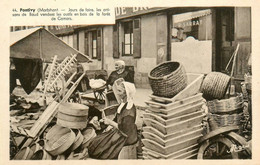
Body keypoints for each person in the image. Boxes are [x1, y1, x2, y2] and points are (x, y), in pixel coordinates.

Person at [88, 78, 138, 159]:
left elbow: (125, 130)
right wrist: (104, 122)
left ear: (126, 93)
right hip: (120, 131)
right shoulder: (124, 104)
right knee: (96, 140)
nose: (117, 94)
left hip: (126, 137)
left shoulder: (129, 112)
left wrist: (110, 123)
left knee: (99, 148)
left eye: (120, 91)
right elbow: (116, 119)